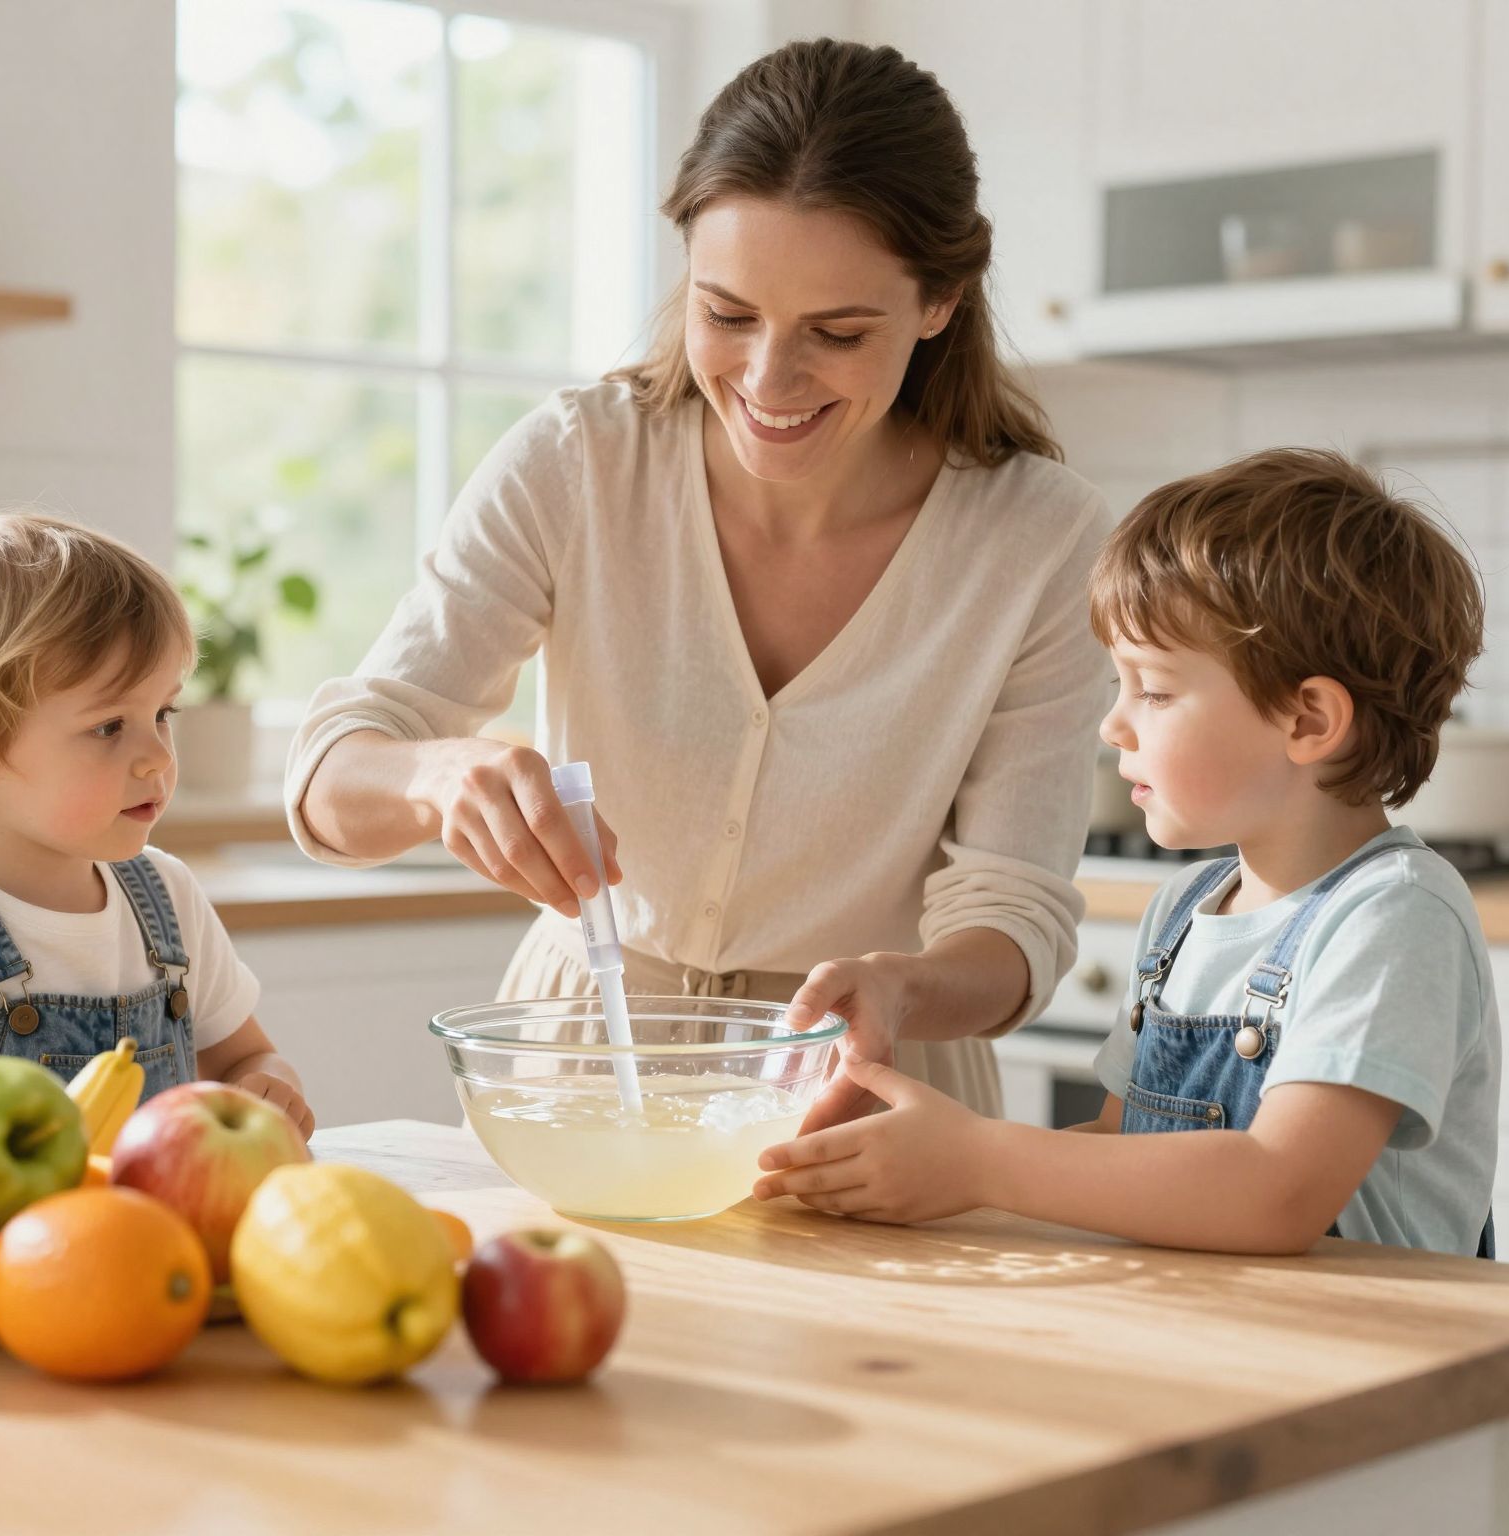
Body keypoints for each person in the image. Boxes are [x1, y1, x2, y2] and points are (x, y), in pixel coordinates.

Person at [285, 39, 1112, 1121]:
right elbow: (326, 782)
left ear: (938, 301)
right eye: (725, 314)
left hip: (863, 1093)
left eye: (837, 331)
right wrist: (432, 777)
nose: (768, 379)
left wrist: (899, 988)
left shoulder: (1038, 540)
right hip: (579, 1071)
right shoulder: (577, 462)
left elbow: (1014, 918)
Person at [756, 449, 1500, 1256]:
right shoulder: (1184, 911)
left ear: (1307, 721)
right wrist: (904, 1170)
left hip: (1377, 1356)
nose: (1114, 726)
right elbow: (1122, 1152)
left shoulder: (1392, 916)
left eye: (1152, 689)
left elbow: (1276, 1192)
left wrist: (977, 1159)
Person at [0, 509, 314, 1134]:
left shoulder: (168, 898)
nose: (158, 754)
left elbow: (245, 1056)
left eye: (163, 712)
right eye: (108, 727)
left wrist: (269, 1086)